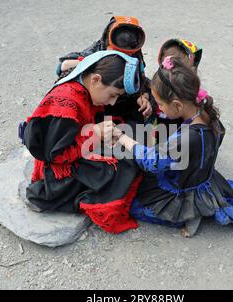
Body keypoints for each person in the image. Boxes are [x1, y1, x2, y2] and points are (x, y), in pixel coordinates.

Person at [111, 56, 233, 237]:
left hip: (182, 188)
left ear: (177, 105)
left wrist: (122, 137)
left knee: (131, 205)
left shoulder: (187, 138)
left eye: (159, 104)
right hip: (202, 177)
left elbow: (152, 162)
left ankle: (190, 213)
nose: (158, 108)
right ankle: (198, 208)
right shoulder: (207, 115)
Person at [19, 51, 144, 234]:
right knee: (123, 164)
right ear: (95, 80)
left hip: (78, 146)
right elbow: (57, 155)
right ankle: (74, 198)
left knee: (131, 132)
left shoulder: (83, 86)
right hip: (58, 173)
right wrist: (95, 134)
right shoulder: (66, 103)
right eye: (112, 95)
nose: (112, 102)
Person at [56, 16, 152, 124]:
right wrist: (94, 63)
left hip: (123, 105)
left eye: (126, 56)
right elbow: (61, 67)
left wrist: (143, 96)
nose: (122, 61)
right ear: (106, 43)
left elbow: (143, 81)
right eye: (114, 55)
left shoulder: (135, 58)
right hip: (98, 106)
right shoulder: (97, 52)